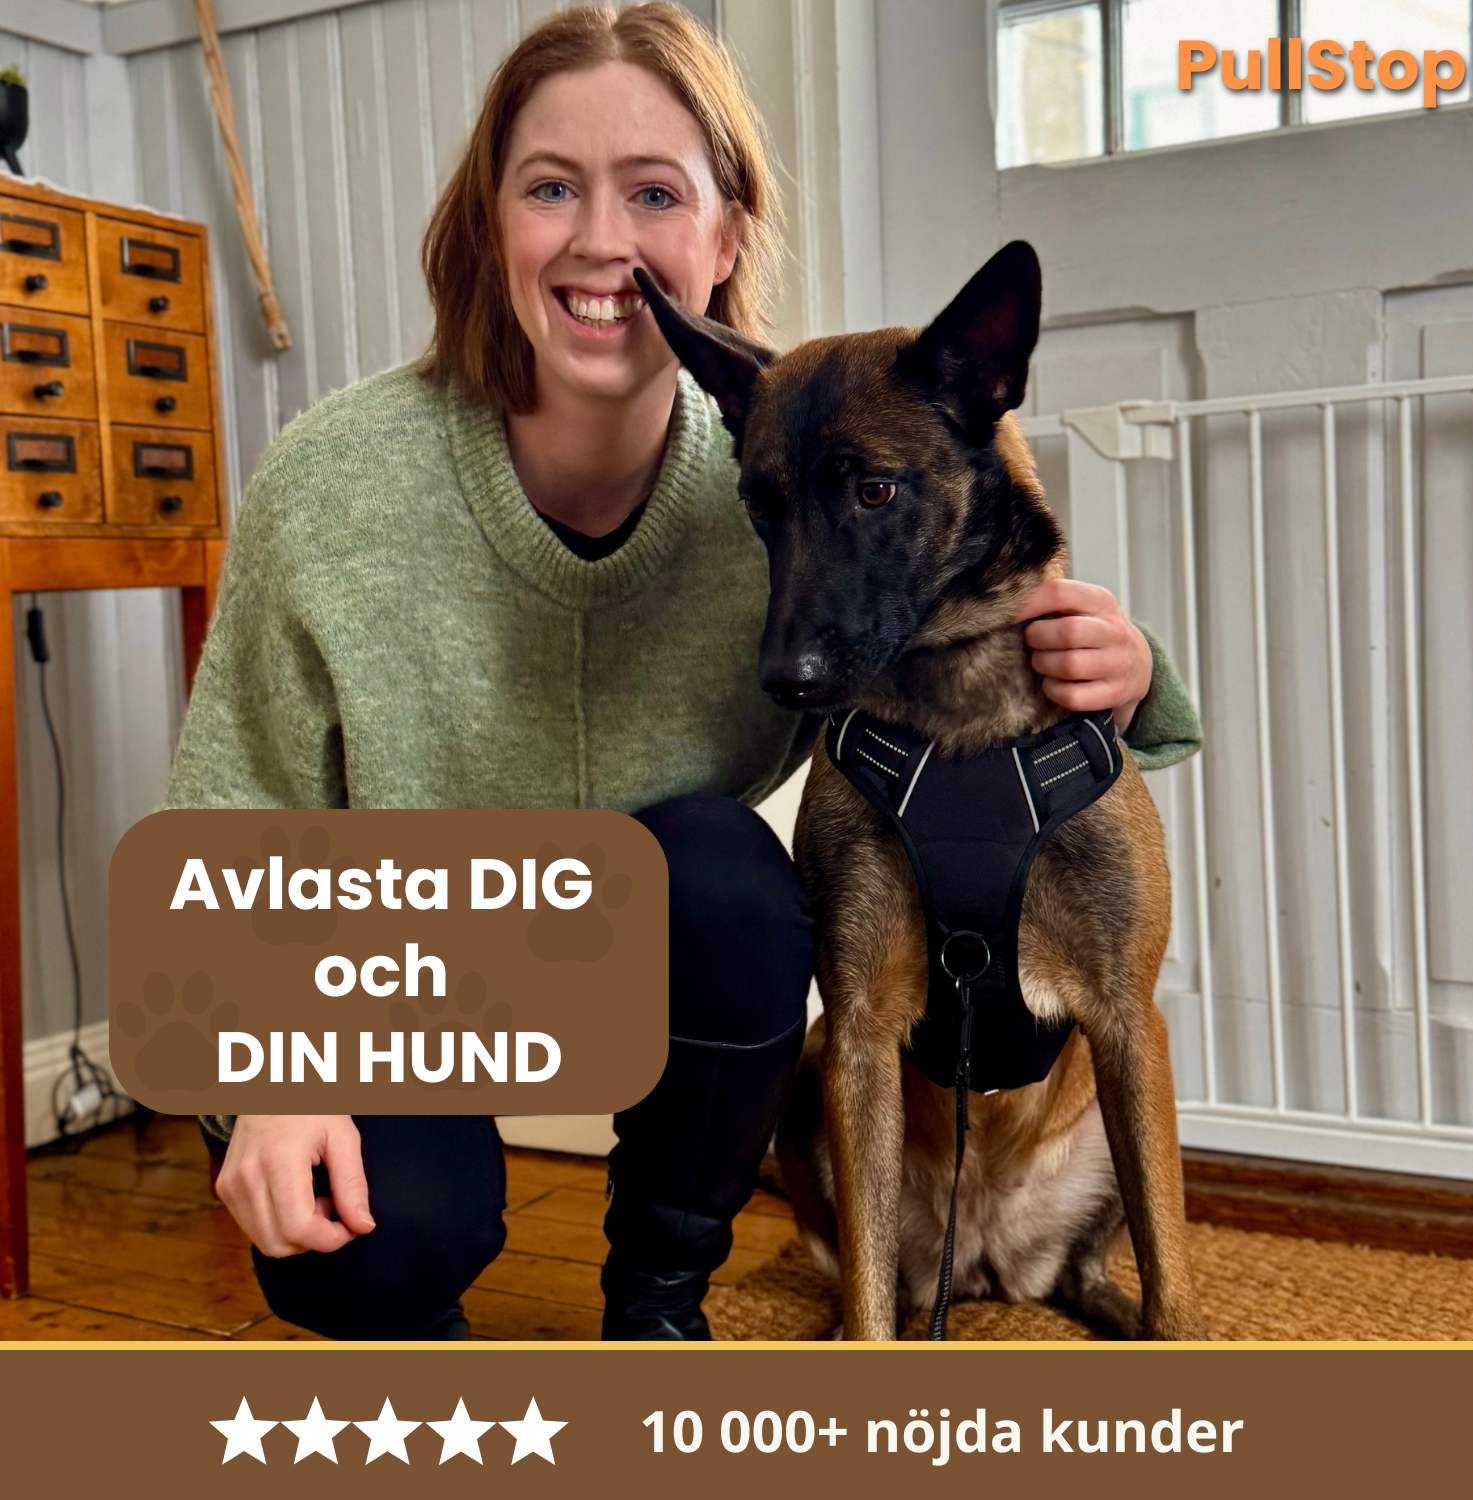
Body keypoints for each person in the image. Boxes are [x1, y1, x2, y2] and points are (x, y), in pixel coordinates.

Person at [166, 3, 1201, 1341]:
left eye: (653, 192)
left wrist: (1133, 670)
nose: (601, 240)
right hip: (382, 972)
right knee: (372, 1244)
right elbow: (221, 819)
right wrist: (268, 1066)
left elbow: (971, 582)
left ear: (724, 240)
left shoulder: (785, 468)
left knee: (728, 878)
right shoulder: (333, 484)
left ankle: (657, 1303)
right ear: (489, 225)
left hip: (630, 938)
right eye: (550, 188)